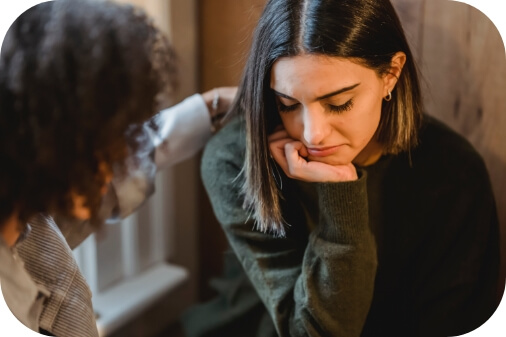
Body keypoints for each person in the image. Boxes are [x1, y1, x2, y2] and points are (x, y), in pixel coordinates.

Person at [186, 0, 501, 336]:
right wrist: (341, 201)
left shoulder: (454, 173)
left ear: (390, 75)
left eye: (338, 103)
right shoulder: (236, 159)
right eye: (287, 105)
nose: (312, 134)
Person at [0, 0, 236, 336]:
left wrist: (213, 106)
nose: (115, 168)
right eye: (110, 145)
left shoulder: (30, 204)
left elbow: (143, 152)